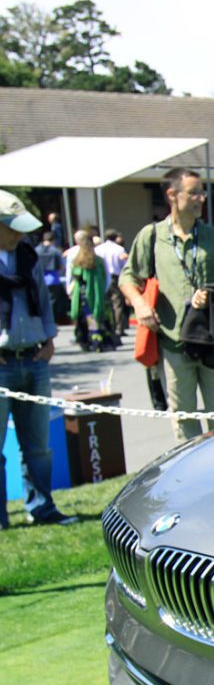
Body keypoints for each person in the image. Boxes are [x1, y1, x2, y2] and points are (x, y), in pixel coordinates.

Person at [119, 167, 214, 440]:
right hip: (173, 343)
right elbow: (128, 279)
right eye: (194, 193)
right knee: (184, 424)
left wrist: (213, 294)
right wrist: (140, 304)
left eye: (202, 192)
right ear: (172, 195)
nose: (201, 198)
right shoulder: (152, 237)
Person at [0, 190, 76, 528]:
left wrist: (49, 339)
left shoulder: (29, 257)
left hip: (35, 359)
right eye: (12, 228)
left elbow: (44, 303)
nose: (19, 235)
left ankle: (42, 508)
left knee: (39, 446)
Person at [67, 230, 117, 351]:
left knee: (84, 317)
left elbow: (71, 277)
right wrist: (103, 292)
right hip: (96, 293)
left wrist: (70, 292)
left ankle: (85, 339)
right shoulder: (98, 260)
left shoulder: (75, 259)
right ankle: (97, 339)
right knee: (94, 317)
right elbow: (107, 278)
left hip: (81, 295)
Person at [95, 229, 129, 336]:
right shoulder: (119, 249)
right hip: (115, 277)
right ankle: (119, 328)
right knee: (117, 303)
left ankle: (107, 325)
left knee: (104, 302)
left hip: (102, 277)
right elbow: (125, 265)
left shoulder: (98, 249)